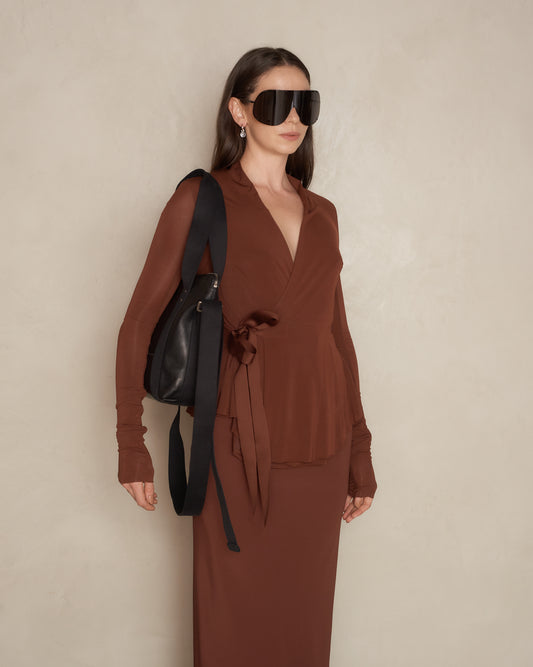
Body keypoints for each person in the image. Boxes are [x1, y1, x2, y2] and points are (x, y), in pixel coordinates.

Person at [115, 46, 377, 667]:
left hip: (322, 441)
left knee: (303, 625)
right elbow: (137, 322)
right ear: (239, 111)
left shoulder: (323, 214)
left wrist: (360, 449)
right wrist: (131, 443)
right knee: (234, 623)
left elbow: (337, 337)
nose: (294, 118)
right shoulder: (202, 199)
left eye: (306, 103)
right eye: (276, 102)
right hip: (237, 442)